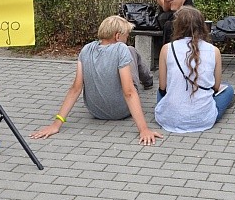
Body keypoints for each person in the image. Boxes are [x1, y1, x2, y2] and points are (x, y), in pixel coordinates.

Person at [30, 16, 163, 145]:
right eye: (126, 36)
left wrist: (56, 124)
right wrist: (144, 129)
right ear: (117, 36)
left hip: (96, 111)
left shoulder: (86, 49)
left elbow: (75, 88)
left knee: (128, 54)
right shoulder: (121, 49)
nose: (127, 39)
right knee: (131, 50)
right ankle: (148, 81)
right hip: (122, 111)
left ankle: (147, 80)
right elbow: (129, 92)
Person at [154, 6, 235, 133]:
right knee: (228, 89)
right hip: (203, 119)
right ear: (202, 26)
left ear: (177, 26)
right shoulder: (214, 51)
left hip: (169, 119)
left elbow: (163, 87)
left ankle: (172, 106)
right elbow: (216, 87)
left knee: (161, 91)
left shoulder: (167, 49)